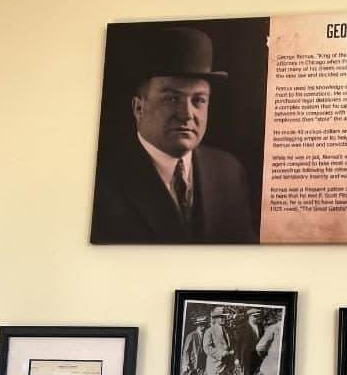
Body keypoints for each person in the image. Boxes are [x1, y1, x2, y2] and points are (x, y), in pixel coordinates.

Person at [91, 27, 256, 244]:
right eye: (171, 99)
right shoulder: (103, 179)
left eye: (198, 100)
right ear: (139, 108)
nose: (186, 114)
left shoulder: (228, 172)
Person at [203, 307, 236, 375]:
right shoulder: (209, 331)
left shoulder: (229, 330)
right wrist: (220, 354)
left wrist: (233, 352)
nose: (223, 319)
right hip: (215, 366)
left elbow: (233, 344)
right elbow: (207, 348)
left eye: (224, 316)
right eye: (221, 317)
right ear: (215, 318)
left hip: (228, 366)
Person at [236, 308, 264, 375]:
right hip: (247, 356)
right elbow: (238, 344)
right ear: (249, 316)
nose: (257, 318)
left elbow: (262, 340)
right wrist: (237, 358)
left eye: (258, 316)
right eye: (255, 316)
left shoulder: (260, 326)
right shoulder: (242, 327)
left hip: (258, 355)